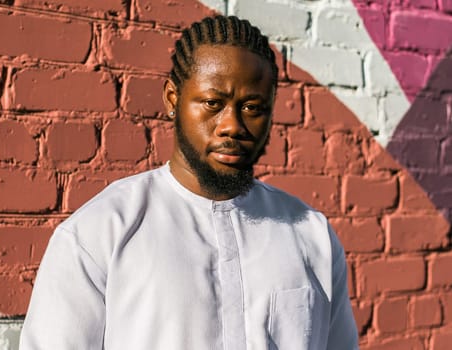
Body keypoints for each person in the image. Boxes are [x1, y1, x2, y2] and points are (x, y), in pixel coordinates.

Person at [20, 15, 359, 350]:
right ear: (173, 99)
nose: (232, 126)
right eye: (213, 103)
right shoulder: (99, 233)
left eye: (253, 107)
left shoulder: (312, 235)